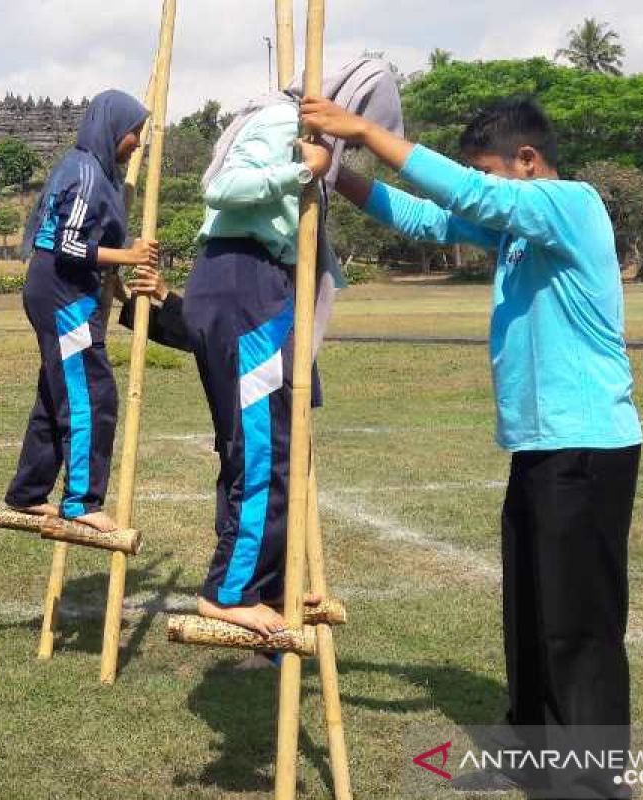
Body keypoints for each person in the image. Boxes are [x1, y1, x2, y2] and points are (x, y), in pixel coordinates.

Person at [301, 94, 642, 797]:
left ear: (527, 160)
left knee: (578, 627)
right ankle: (534, 748)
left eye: (490, 170)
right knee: (532, 611)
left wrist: (363, 130)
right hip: (542, 448)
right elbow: (431, 216)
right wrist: (338, 175)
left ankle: (592, 783)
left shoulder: (570, 203)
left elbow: (467, 195)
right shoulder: (520, 228)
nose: (481, 183)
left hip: (586, 447)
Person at [184, 57, 404, 637]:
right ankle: (231, 591)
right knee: (266, 451)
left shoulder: (303, 133)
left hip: (252, 286)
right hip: (247, 284)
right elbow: (221, 188)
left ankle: (269, 584)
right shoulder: (286, 123)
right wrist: (300, 172)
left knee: (265, 443)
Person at [2, 90, 157, 533]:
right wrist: (130, 255)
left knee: (57, 393)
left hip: (61, 288)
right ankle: (81, 500)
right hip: (61, 291)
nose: (135, 144)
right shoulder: (87, 172)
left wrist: (122, 286)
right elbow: (67, 244)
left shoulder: (90, 169)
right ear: (112, 129)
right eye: (133, 134)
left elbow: (84, 242)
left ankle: (28, 493)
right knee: (91, 392)